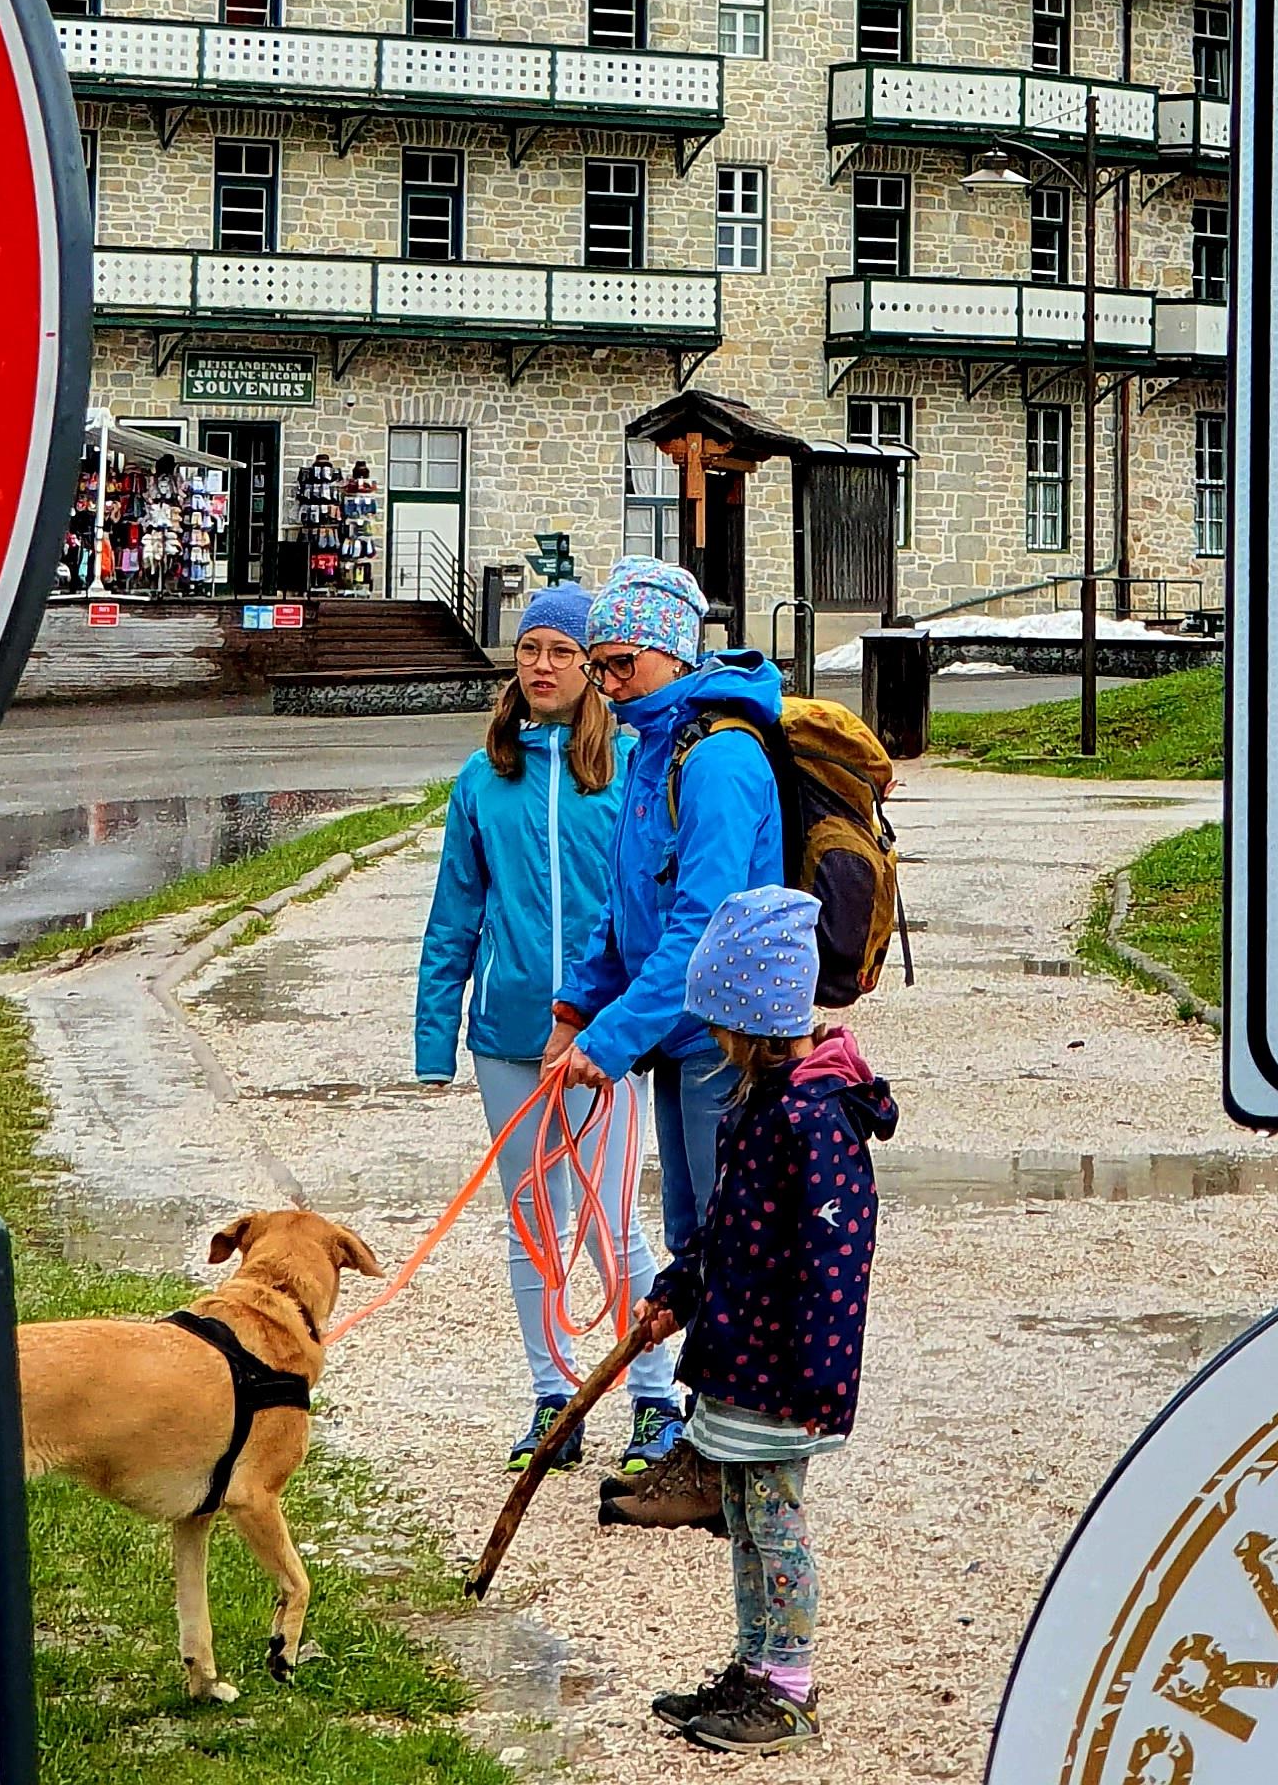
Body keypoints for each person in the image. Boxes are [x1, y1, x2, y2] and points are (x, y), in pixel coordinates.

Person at [414, 582, 688, 1478]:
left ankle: (653, 1395)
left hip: (606, 1038)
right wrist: (434, 1036)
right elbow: (454, 913)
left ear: (593, 667)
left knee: (611, 1219)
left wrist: (632, 1019)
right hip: (508, 1035)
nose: (542, 666)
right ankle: (553, 1398)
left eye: (563, 652)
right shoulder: (482, 778)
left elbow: (650, 904)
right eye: (530, 649)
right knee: (533, 1219)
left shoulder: (633, 767)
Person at [541, 553, 790, 1532]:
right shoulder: (656, 747)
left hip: (731, 1041)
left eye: (620, 664)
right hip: (680, 1039)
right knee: (695, 1242)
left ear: (673, 653)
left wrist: (610, 1040)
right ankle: (709, 1445)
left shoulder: (719, 759)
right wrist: (576, 1004)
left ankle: (736, 1461)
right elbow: (626, 907)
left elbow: (698, 928)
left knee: (732, 1245)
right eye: (598, 664)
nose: (605, 683)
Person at [630, 882, 895, 1753]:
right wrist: (677, 1293)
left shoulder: (815, 1123)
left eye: (718, 1022)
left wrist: (819, 1381)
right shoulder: (761, 1106)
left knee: (776, 1526)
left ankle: (790, 1692)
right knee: (742, 1519)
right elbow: (725, 1234)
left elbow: (834, 1264)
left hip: (782, 1378)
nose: (711, 1038)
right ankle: (754, 1669)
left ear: (751, 1019)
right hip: (738, 1365)